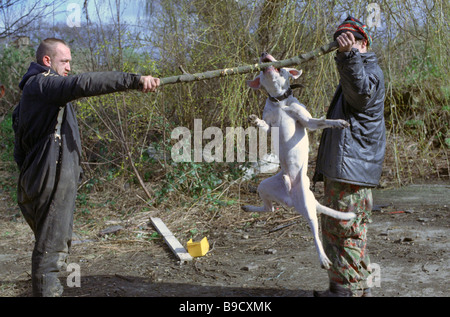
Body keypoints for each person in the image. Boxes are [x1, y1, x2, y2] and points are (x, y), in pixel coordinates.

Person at [13, 38, 160, 297]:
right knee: (50, 253)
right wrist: (135, 80)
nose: (69, 67)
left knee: (51, 247)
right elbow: (82, 84)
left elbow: (19, 151)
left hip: (39, 180)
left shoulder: (35, 93)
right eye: (65, 61)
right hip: (50, 180)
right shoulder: (43, 84)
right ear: (47, 61)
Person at [312, 17, 386, 297]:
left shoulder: (369, 72)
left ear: (363, 43)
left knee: (344, 230)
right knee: (345, 229)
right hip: (347, 170)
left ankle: (345, 291)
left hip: (351, 172)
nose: (343, 44)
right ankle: (356, 287)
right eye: (339, 40)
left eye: (350, 39)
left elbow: (360, 94)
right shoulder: (356, 71)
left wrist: (349, 56)